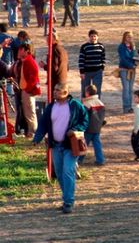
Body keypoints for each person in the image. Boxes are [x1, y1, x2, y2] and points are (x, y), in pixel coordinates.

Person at [32, 82, 89, 214]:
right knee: (59, 173)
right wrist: (37, 138)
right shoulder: (51, 107)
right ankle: (66, 199)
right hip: (56, 146)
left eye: (57, 90)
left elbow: (85, 120)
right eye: (54, 90)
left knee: (68, 171)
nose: (54, 92)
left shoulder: (75, 105)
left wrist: (76, 129)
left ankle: (69, 201)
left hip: (70, 145)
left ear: (65, 93)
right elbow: (43, 124)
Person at [15, 43, 40, 138]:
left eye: (21, 50)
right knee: (27, 112)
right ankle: (31, 132)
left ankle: (33, 132)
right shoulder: (25, 60)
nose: (19, 51)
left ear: (26, 51)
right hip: (25, 90)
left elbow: (34, 76)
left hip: (28, 91)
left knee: (30, 112)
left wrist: (28, 89)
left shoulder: (29, 61)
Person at [79, 84, 106, 166]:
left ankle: (79, 159)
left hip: (88, 128)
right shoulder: (100, 103)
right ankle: (100, 159)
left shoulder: (86, 104)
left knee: (83, 144)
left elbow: (84, 117)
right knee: (97, 144)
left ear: (87, 93)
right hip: (97, 127)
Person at [78, 29, 105, 98]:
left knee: (97, 90)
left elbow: (103, 58)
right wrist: (82, 72)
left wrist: (102, 68)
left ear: (97, 37)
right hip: (86, 72)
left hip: (98, 71)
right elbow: (81, 59)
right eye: (91, 36)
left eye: (95, 36)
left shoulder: (101, 46)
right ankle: (84, 106)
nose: (93, 38)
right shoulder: (84, 47)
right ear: (89, 37)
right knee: (85, 89)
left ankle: (96, 105)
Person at [118, 31, 137, 114]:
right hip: (124, 69)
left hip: (132, 69)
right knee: (126, 88)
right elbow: (123, 58)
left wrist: (136, 63)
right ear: (124, 37)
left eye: (131, 37)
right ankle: (126, 107)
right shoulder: (121, 47)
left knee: (130, 89)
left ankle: (130, 106)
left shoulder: (133, 46)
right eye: (128, 36)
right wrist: (130, 65)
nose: (129, 38)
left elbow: (134, 57)